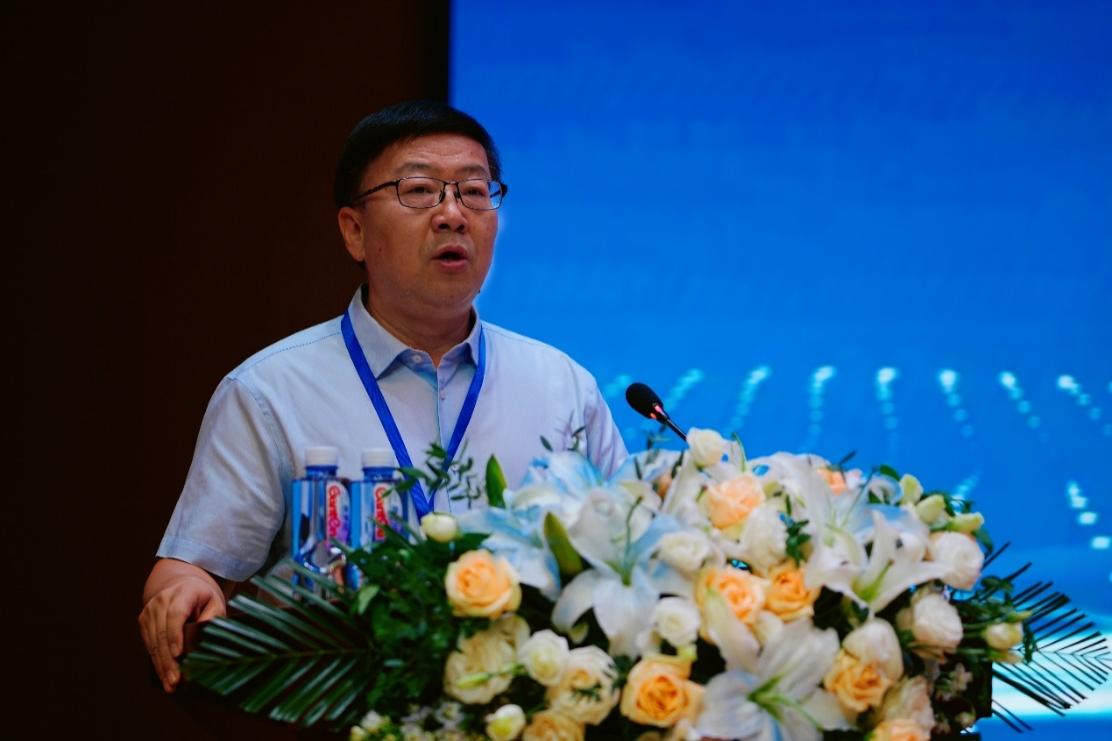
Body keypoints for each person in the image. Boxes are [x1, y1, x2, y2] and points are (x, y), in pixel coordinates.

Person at [138, 101, 628, 693]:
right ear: (354, 231)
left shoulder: (562, 387)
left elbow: (628, 555)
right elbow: (191, 569)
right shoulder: (269, 391)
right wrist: (182, 590)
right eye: (419, 190)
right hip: (336, 713)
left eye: (474, 192)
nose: (453, 215)